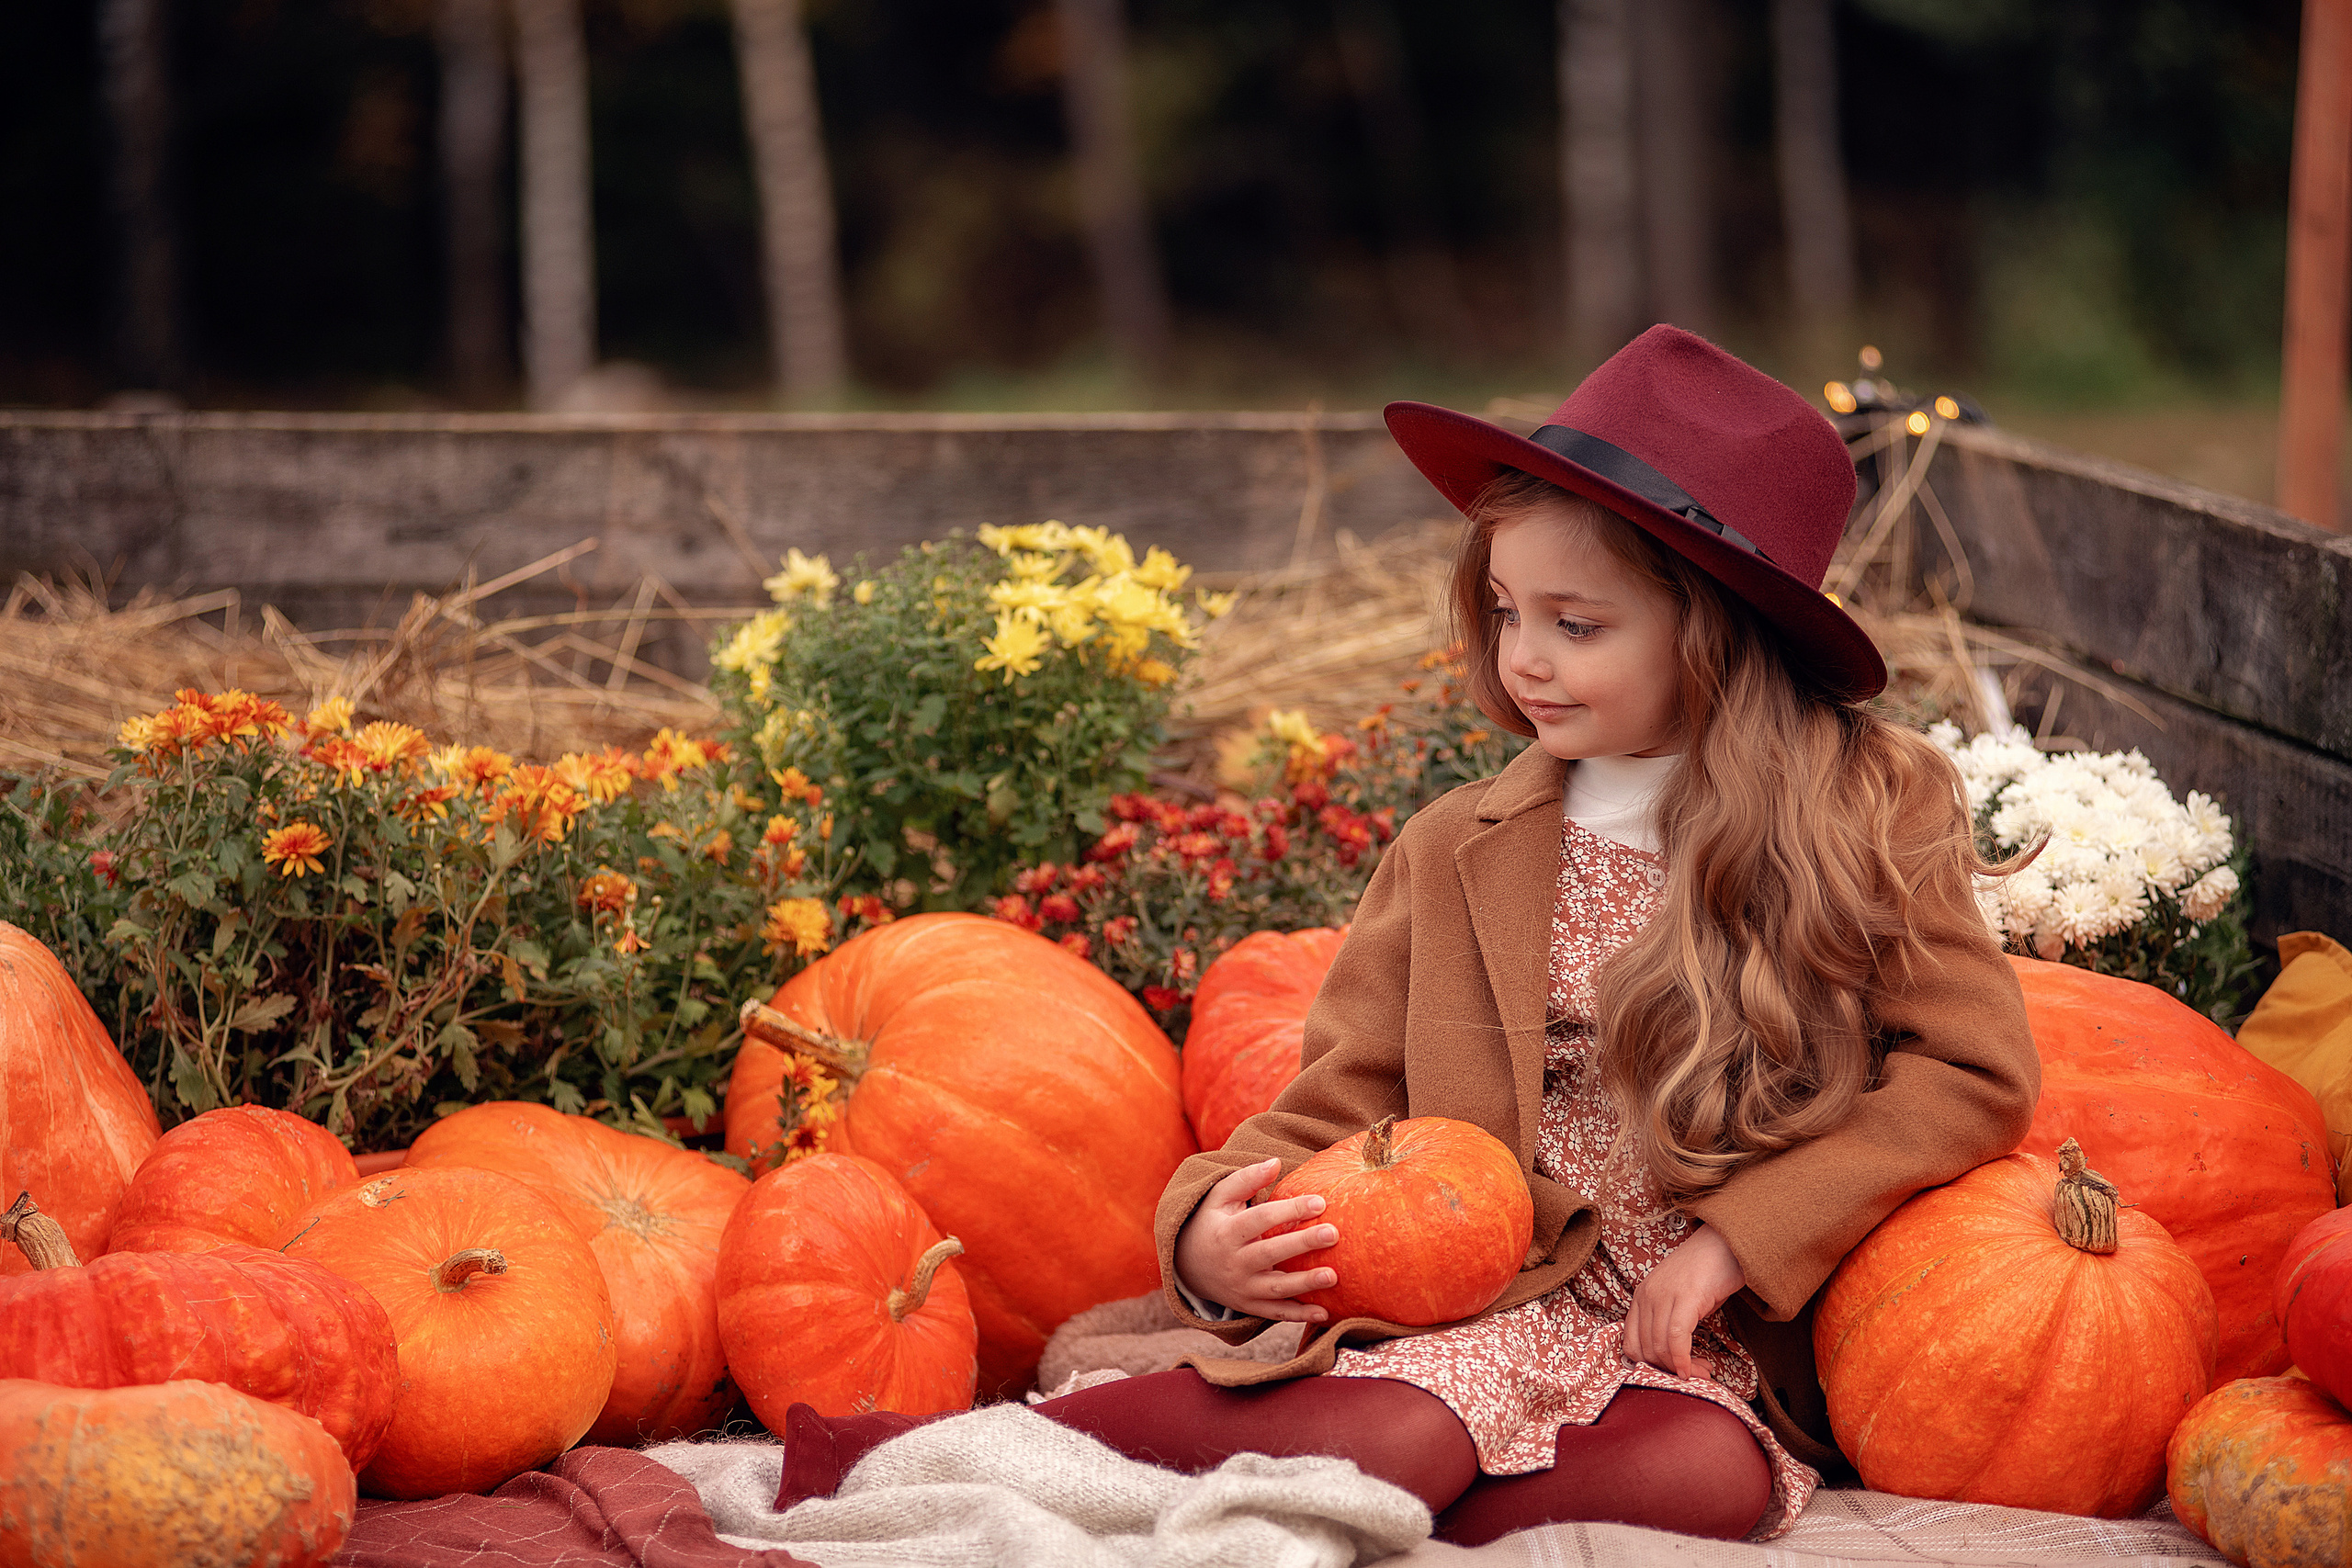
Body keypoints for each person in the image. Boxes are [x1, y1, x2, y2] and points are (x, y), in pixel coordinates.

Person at [775, 325, 2041, 1546]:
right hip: (1483, 1291)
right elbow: (1348, 1096)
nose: (1524, 659)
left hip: (1699, 1336)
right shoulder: (1456, 846)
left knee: (1713, 1483)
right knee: (1407, 1441)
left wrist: (1739, 1242)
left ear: (1716, 631)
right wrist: (1213, 1228)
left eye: (1576, 625)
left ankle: (1261, 1476)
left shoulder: (1869, 808)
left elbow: (1971, 1071)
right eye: (1504, 613)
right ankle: (913, 1461)